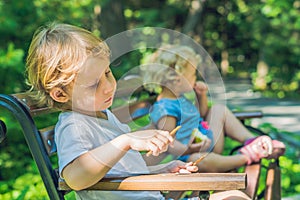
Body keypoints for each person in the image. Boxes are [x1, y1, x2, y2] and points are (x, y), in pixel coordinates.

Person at [25, 23, 198, 200]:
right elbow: (75, 178)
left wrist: (161, 170)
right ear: (61, 94)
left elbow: (119, 175)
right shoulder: (74, 125)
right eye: (93, 84)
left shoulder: (104, 116)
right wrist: (124, 141)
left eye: (107, 73)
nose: (108, 87)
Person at [141, 45, 286, 173]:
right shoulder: (165, 108)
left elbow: (203, 114)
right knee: (199, 160)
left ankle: (251, 141)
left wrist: (201, 96)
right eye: (193, 75)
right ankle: (247, 156)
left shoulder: (179, 98)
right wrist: (190, 149)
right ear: (177, 80)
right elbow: (169, 143)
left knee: (218, 109)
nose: (196, 78)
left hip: (208, 140)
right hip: (190, 154)